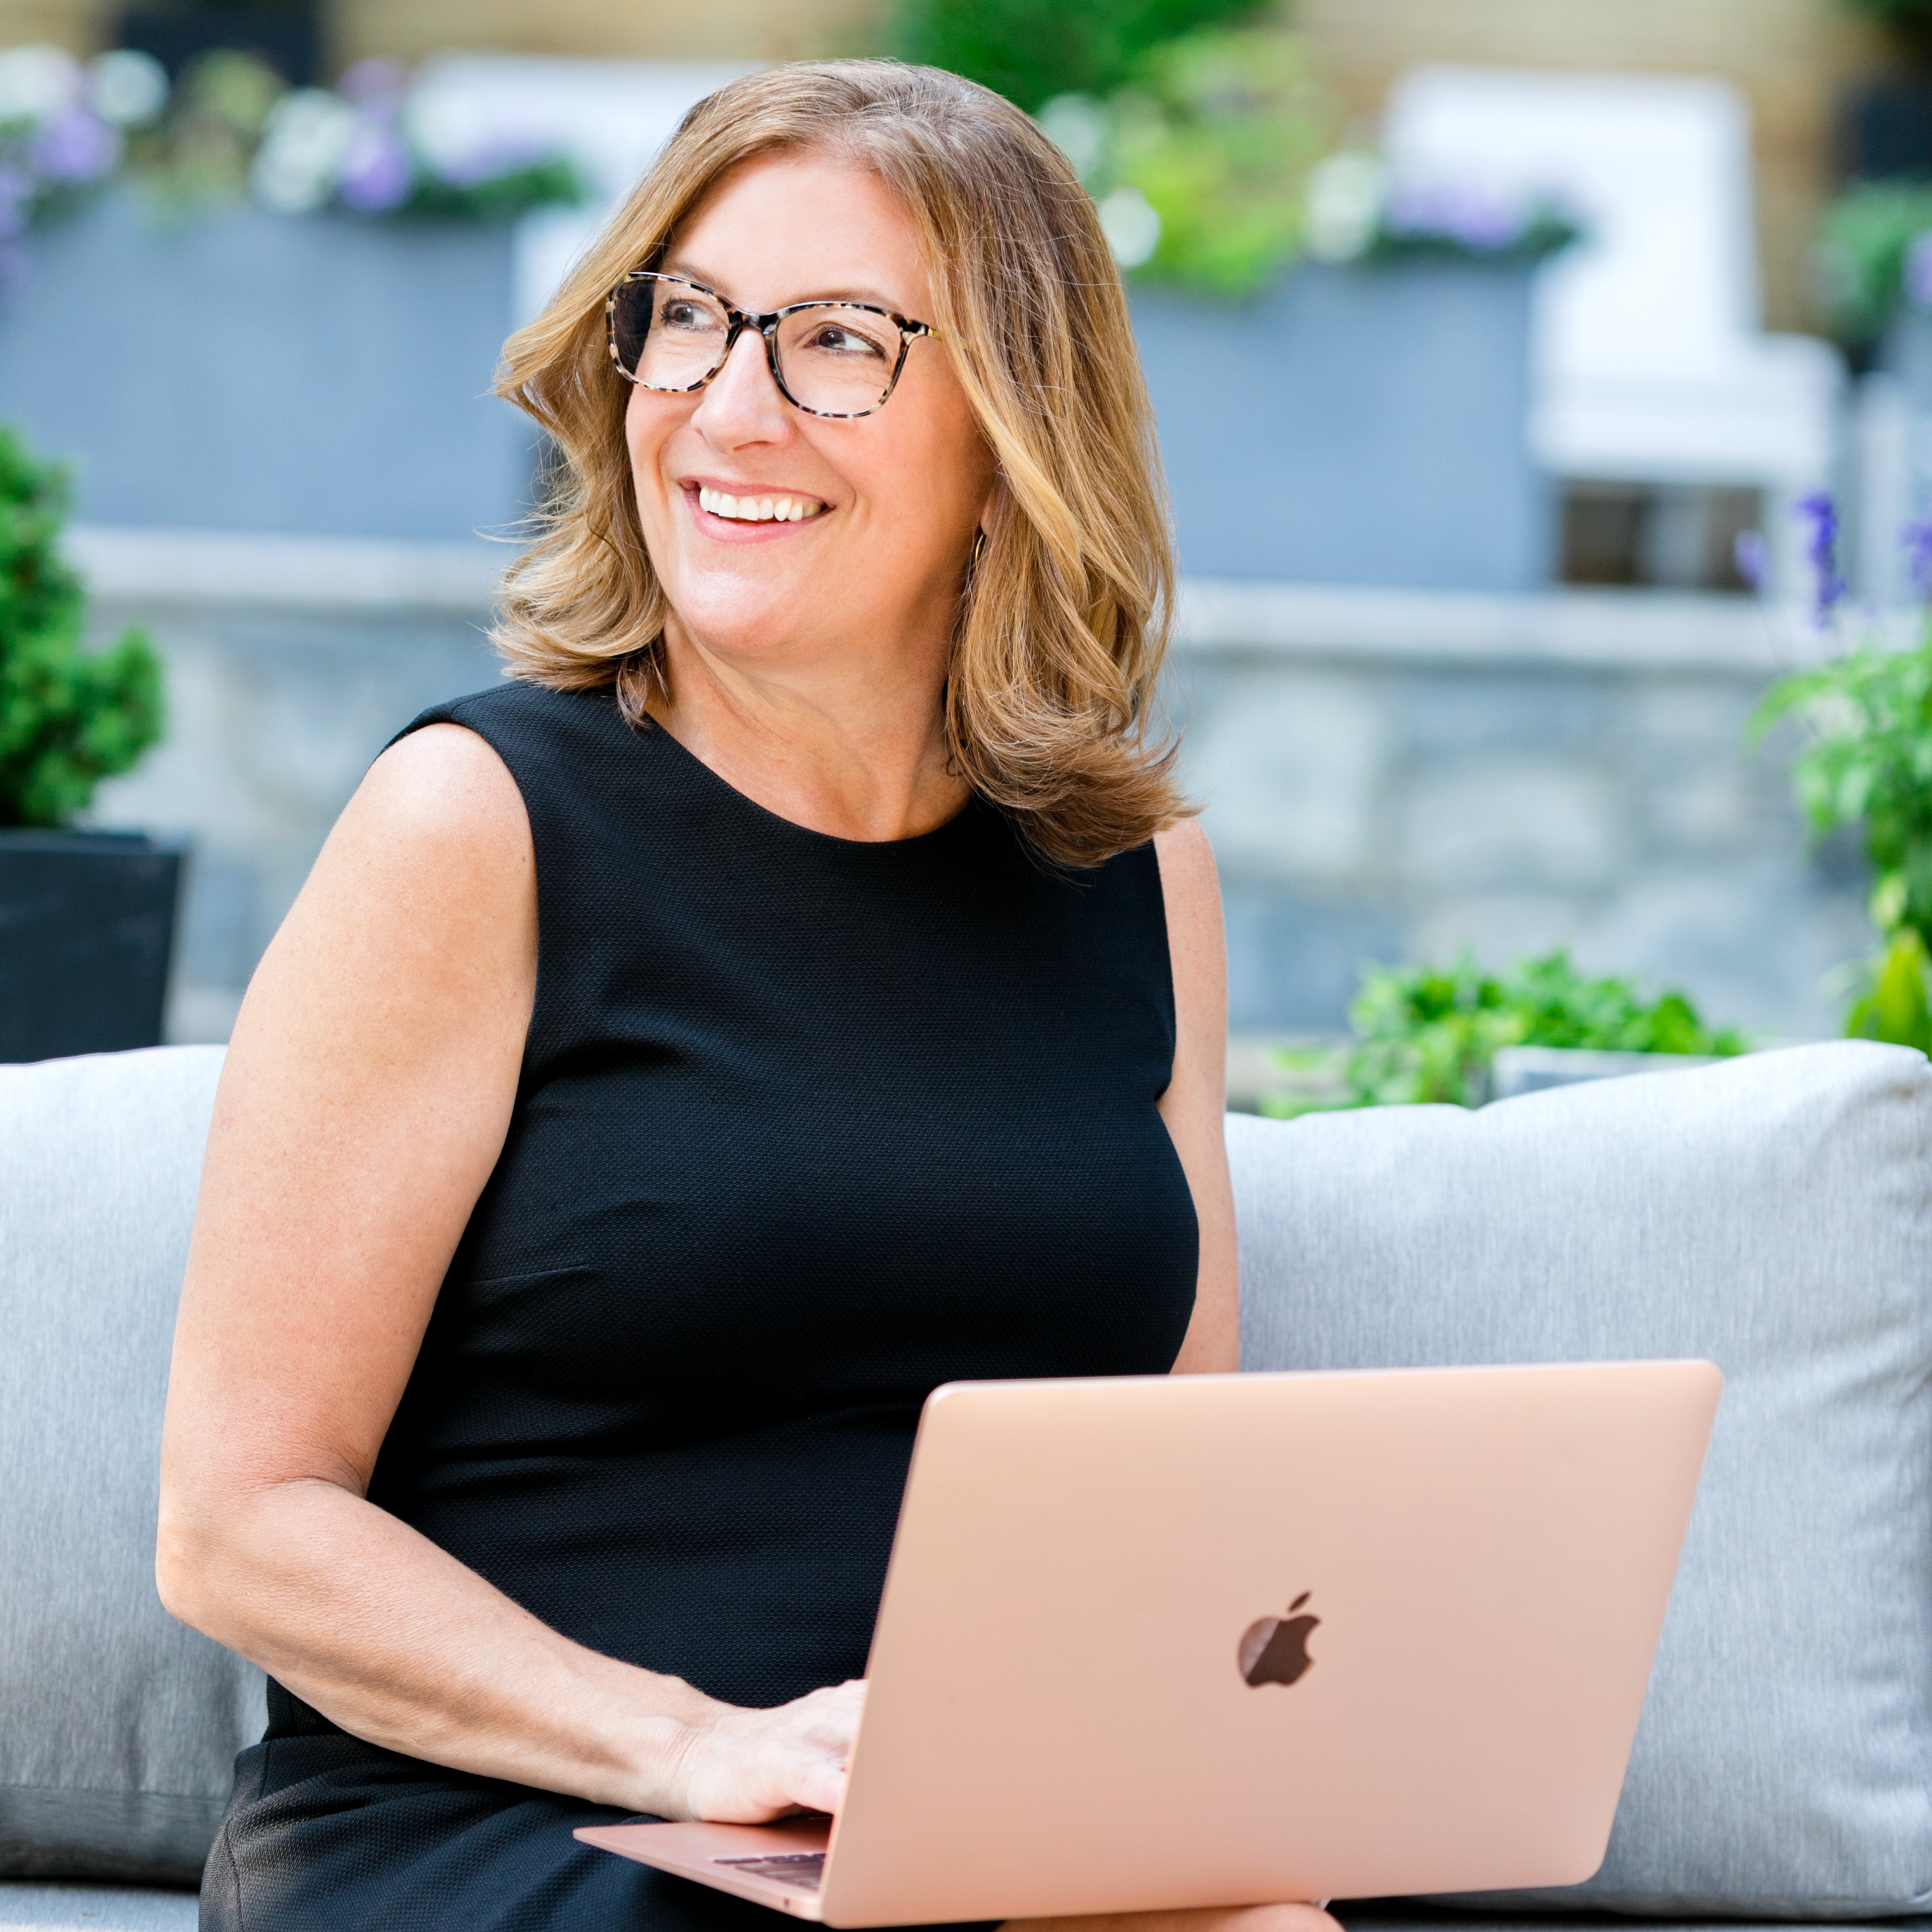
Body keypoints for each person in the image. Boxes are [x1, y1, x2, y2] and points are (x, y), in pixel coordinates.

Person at [158, 58, 1339, 1932]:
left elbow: (1167, 1479)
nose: (729, 407)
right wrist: (700, 1747)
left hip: (962, 1834)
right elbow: (241, 1526)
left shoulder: (1136, 867)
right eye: (688, 322)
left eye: (839, 342)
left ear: (1017, 427)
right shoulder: (475, 822)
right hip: (528, 1822)